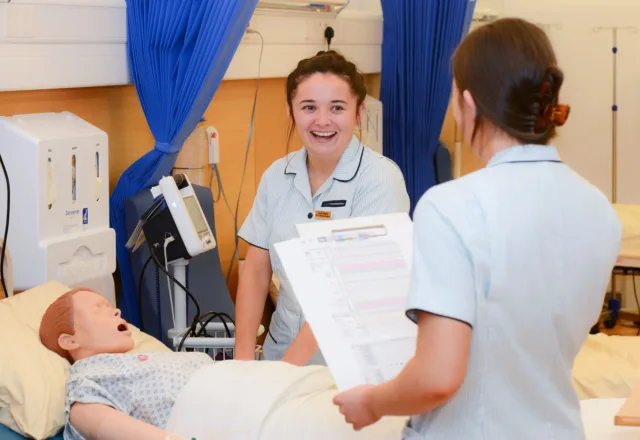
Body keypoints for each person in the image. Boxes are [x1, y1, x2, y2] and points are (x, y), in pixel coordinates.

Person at [332, 17, 622, 439]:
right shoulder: (599, 210)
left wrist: (371, 402)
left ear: (467, 103)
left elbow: (437, 377)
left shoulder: (451, 207)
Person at [39, 287, 408, 440]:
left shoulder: (148, 357)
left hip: (250, 389)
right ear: (70, 341)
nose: (116, 309)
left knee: (366, 407)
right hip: (217, 412)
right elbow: (99, 422)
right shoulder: (88, 376)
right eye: (101, 309)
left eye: (111, 304)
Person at [234, 50, 410, 366]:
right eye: (309, 107)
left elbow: (346, 291)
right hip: (281, 352)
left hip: (352, 363)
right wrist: (244, 360)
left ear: (359, 113)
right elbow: (257, 268)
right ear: (291, 112)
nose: (323, 120)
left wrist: (287, 371)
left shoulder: (380, 179)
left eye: (337, 108)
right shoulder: (277, 176)